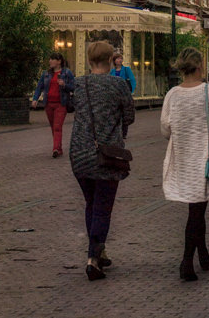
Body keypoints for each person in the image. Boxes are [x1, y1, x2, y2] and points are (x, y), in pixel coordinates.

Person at [161, 47, 209, 282]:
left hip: (181, 158)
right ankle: (186, 261)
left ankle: (203, 254)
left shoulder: (172, 95)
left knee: (196, 208)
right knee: (197, 210)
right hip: (203, 157)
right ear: (200, 66)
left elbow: (165, 129)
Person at [70, 40, 135, 281]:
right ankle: (93, 258)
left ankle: (100, 250)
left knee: (91, 204)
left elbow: (71, 107)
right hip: (107, 155)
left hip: (79, 152)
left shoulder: (79, 83)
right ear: (110, 60)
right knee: (103, 208)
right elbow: (129, 115)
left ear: (88, 61)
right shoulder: (118, 84)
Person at [33, 52, 76, 157]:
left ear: (59, 61)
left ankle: (55, 149)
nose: (50, 61)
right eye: (50, 59)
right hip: (48, 104)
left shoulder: (67, 73)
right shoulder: (46, 74)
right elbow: (39, 87)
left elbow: (74, 86)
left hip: (61, 104)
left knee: (57, 126)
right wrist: (35, 99)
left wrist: (64, 85)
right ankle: (59, 148)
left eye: (53, 59)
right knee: (53, 126)